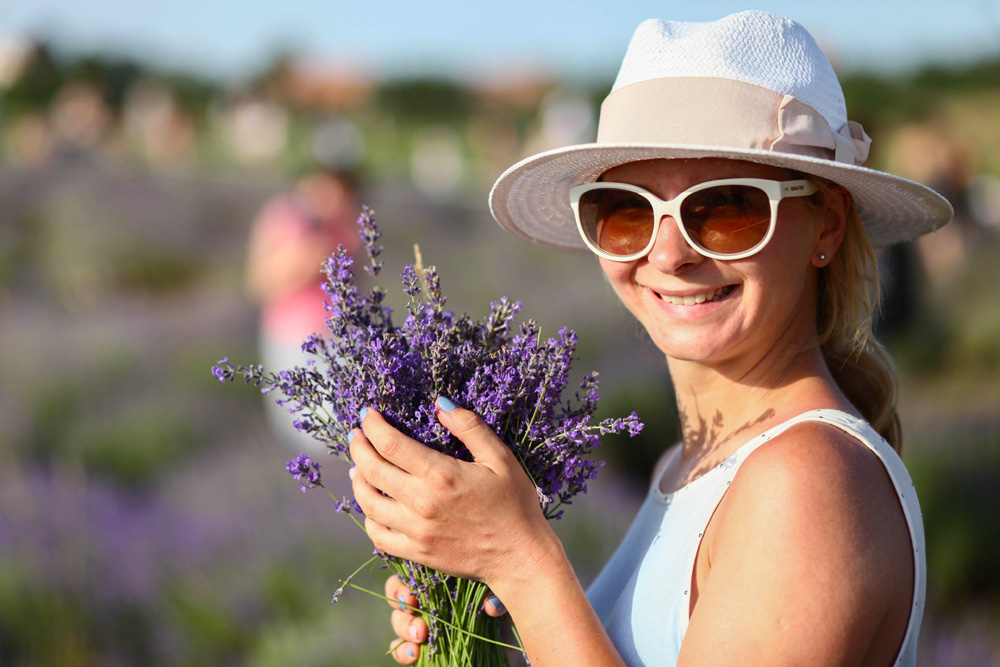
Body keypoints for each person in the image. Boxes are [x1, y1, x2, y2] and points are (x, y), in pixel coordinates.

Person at [347, 11, 952, 666]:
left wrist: (519, 560)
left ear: (826, 223)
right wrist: (478, 627)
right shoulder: (685, 465)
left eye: (726, 207)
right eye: (628, 210)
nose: (668, 254)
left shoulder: (806, 483)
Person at [245, 121, 363, 451]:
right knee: (305, 432)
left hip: (340, 340)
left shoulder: (348, 219)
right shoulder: (283, 216)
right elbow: (257, 280)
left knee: (342, 432)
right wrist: (304, 258)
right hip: (292, 339)